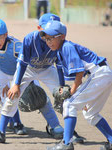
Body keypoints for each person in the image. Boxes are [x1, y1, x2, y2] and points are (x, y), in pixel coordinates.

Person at [0, 14, 64, 144]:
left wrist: (61, 86)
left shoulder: (61, 42)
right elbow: (22, 63)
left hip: (47, 69)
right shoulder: (30, 39)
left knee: (64, 96)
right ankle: (1, 132)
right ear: (39, 28)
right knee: (12, 96)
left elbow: (60, 65)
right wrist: (16, 84)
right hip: (29, 69)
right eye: (47, 31)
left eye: (54, 32)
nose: (50, 35)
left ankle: (66, 130)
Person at [41, 20, 112, 150]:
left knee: (69, 104)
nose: (48, 41)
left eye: (51, 38)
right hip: (102, 75)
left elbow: (79, 73)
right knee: (90, 113)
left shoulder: (67, 47)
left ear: (62, 36)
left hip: (99, 74)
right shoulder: (60, 50)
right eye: (46, 39)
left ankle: (66, 143)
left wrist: (72, 93)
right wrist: (81, 96)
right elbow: (81, 75)